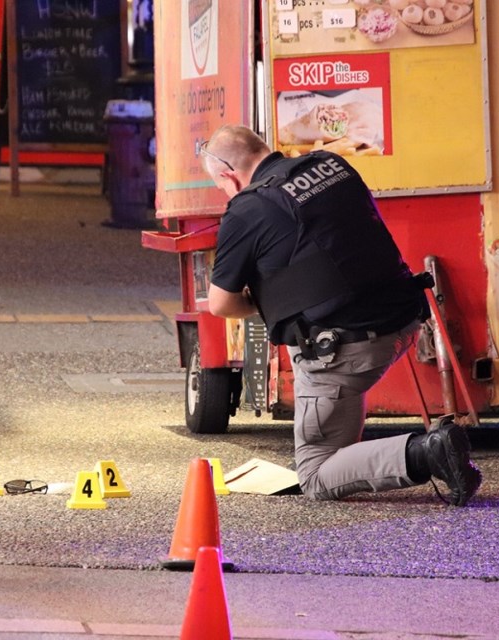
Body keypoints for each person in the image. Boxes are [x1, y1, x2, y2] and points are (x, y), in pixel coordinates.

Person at [201, 124, 482, 506]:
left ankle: (428, 451)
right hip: (402, 321)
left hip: (344, 350)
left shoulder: (247, 208)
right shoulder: (330, 164)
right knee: (340, 449)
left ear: (228, 176)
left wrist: (266, 299)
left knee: (316, 475)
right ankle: (377, 453)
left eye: (221, 186)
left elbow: (221, 303)